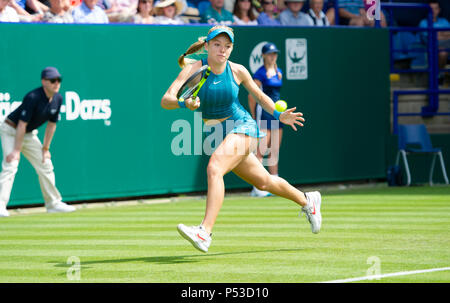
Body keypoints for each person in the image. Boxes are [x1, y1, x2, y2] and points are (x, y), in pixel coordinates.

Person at [161, 26, 322, 253]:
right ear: (206, 46)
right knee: (264, 182)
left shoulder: (238, 71)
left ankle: (204, 232)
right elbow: (166, 99)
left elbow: (260, 96)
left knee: (214, 168)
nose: (222, 50)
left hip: (243, 126)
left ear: (231, 49)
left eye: (227, 46)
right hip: (220, 134)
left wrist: (278, 115)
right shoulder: (193, 69)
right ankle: (308, 201)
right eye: (217, 45)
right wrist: (183, 103)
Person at [0, 67, 76, 217]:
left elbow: (51, 125)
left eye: (58, 80)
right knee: (11, 165)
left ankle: (53, 203)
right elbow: (21, 124)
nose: (56, 83)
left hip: (27, 134)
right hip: (10, 130)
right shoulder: (33, 97)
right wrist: (16, 151)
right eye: (52, 80)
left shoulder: (58, 99)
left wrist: (45, 148)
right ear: (44, 82)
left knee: (45, 163)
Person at [248, 42, 284, 197]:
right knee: (261, 151)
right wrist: (254, 116)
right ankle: (258, 187)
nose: (273, 56)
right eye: (270, 54)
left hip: (277, 114)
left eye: (275, 53)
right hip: (263, 114)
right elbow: (251, 96)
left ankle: (274, 184)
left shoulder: (279, 71)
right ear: (263, 55)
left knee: (274, 151)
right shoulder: (259, 74)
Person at [419, 0, 450, 82]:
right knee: (443, 53)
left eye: (435, 8)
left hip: (447, 43)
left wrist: (438, 34)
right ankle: (439, 75)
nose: (433, 11)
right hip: (432, 46)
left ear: (439, 10)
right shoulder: (423, 23)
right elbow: (430, 37)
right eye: (431, 9)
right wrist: (443, 34)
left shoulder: (444, 21)